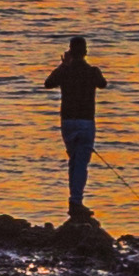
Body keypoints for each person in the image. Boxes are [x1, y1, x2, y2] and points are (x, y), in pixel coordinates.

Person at [46, 32, 106, 219]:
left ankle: (75, 202)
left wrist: (64, 65)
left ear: (70, 52)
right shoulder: (92, 71)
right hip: (86, 122)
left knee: (74, 161)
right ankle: (76, 202)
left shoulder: (65, 71)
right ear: (86, 52)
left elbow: (48, 83)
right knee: (80, 163)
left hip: (67, 122)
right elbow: (102, 84)